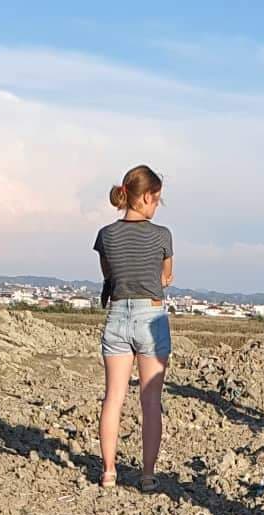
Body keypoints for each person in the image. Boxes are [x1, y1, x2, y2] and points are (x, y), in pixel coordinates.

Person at [94, 165, 173, 489]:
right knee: (150, 401)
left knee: (113, 397)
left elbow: (108, 274)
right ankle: (148, 475)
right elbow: (165, 277)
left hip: (116, 315)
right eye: (157, 199)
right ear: (147, 197)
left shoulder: (106, 235)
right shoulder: (162, 235)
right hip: (150, 316)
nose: (157, 206)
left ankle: (108, 471)